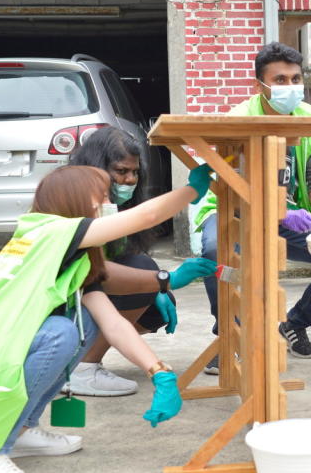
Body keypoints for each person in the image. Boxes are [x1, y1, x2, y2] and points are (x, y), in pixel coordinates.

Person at [0, 163, 216, 473]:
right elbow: (146, 216)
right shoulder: (49, 232)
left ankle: (18, 431)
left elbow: (115, 325)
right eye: (103, 197)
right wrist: (191, 191)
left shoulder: (62, 258)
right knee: (60, 333)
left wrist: (159, 372)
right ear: (74, 201)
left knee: (85, 324)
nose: (111, 205)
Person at [195, 41, 311, 370]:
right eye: (280, 80)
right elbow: (232, 181)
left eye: (296, 79)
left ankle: (295, 323)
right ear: (260, 85)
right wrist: (275, 207)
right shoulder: (239, 118)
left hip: (289, 217)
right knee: (216, 251)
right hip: (232, 207)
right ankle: (229, 334)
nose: (290, 87)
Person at [66, 127, 213, 397]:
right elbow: (93, 271)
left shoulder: (110, 204)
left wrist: (157, 287)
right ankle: (82, 368)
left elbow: (118, 256)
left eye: (135, 173)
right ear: (96, 167)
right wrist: (161, 280)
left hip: (86, 291)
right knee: (146, 275)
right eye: (121, 171)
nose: (130, 180)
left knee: (153, 298)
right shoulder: (73, 200)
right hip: (62, 301)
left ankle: (80, 357)